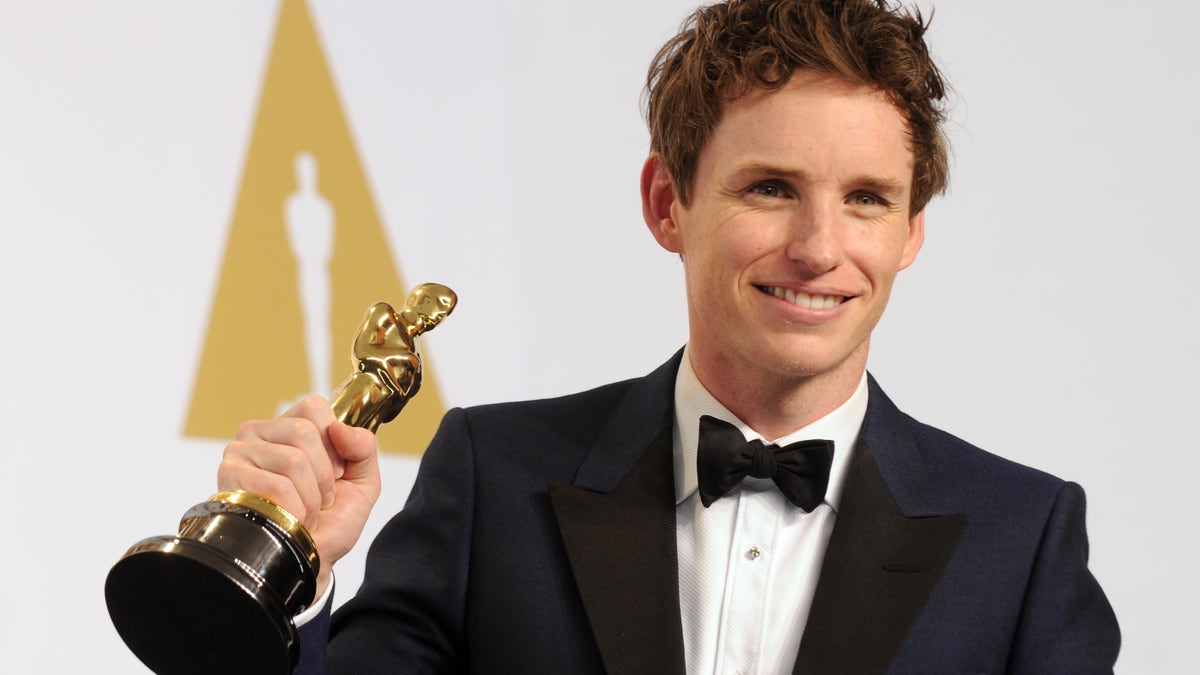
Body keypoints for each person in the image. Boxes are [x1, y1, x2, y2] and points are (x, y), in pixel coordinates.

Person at [218, 1, 1120, 672]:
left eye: (867, 199)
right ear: (667, 204)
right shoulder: (494, 477)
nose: (819, 249)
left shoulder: (1021, 539)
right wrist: (296, 581)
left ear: (911, 231)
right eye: (770, 187)